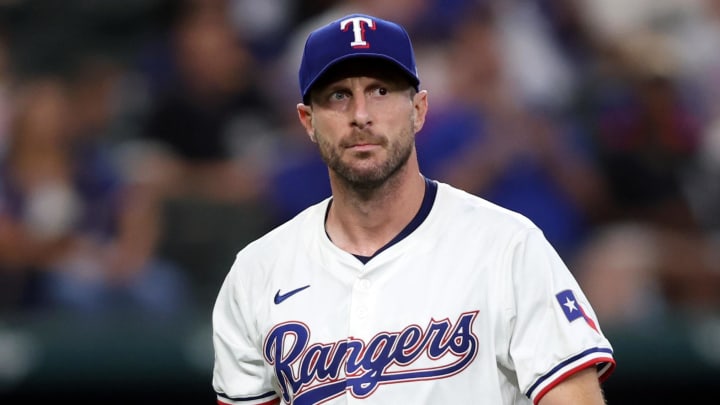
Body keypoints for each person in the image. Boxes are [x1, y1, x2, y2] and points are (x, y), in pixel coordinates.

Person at [211, 13, 615, 405]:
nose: (361, 115)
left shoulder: (509, 247)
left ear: (419, 110)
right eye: (339, 95)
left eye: (381, 91)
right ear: (308, 121)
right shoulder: (256, 273)